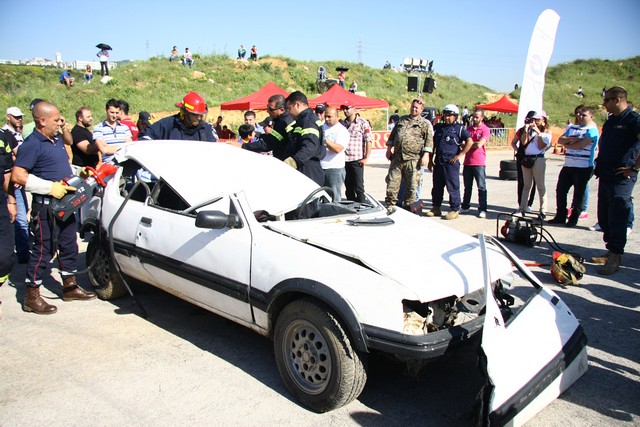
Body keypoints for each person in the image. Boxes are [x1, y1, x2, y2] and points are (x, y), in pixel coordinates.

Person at [12, 101, 97, 315]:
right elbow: (18, 175)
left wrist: (79, 175)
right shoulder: (33, 144)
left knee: (69, 245)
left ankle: (69, 287)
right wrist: (50, 188)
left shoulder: (56, 139)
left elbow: (60, 168)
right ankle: (32, 295)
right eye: (55, 119)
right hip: (46, 209)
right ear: (42, 121)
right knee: (44, 250)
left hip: (65, 206)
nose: (60, 122)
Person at [591, 87, 640, 275]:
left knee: (618, 216)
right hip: (606, 173)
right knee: (604, 216)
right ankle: (610, 249)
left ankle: (615, 255)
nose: (604, 104)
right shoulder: (612, 120)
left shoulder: (634, 120)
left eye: (607, 101)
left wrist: (634, 168)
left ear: (618, 99)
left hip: (622, 177)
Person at [548, 106, 599, 227]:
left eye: (584, 115)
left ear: (591, 116)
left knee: (579, 193)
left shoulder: (592, 130)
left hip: (583, 166)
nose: (580, 117)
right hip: (568, 164)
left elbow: (581, 144)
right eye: (579, 114)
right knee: (561, 190)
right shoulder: (573, 128)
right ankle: (560, 215)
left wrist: (569, 144)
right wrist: (571, 140)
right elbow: (560, 140)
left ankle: (574, 217)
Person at [425, 104, 472, 220]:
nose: (447, 118)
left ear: (455, 116)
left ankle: (455, 209)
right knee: (437, 186)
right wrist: (430, 160)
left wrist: (459, 155)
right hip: (439, 162)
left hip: (451, 163)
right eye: (445, 115)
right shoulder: (438, 128)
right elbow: (432, 145)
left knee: (453, 187)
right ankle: (436, 207)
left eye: (449, 116)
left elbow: (469, 141)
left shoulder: (459, 129)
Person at [384, 99, 433, 209]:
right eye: (412, 106)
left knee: (412, 186)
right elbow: (393, 135)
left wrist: (426, 155)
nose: (414, 109)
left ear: (421, 110)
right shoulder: (402, 120)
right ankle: (390, 206)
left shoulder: (425, 124)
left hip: (413, 159)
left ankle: (409, 207)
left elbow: (429, 140)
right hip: (397, 158)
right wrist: (389, 149)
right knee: (392, 183)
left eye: (416, 107)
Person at [3, 107, 29, 263]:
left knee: (23, 215)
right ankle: (23, 254)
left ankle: (21, 251)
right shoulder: (5, 135)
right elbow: (14, 157)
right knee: (20, 220)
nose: (19, 119)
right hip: (12, 182)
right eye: (16, 117)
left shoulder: (18, 134)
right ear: (8, 117)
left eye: (20, 117)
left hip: (19, 181)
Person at [283, 91, 325, 186]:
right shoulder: (304, 120)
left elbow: (309, 147)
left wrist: (293, 161)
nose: (288, 112)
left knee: (307, 200)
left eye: (289, 108)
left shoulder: (308, 121)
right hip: (306, 167)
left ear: (297, 104)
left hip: (308, 170)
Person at [140, 91, 216, 142]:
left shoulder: (207, 129)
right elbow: (145, 136)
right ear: (185, 113)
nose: (199, 118)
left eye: (201, 114)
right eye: (195, 115)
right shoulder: (167, 125)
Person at [517, 111, 552, 218]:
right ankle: (522, 207)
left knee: (540, 185)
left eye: (537, 119)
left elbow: (542, 146)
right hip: (527, 158)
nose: (535, 122)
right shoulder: (530, 130)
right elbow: (524, 142)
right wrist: (526, 130)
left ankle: (543, 210)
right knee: (526, 185)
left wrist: (538, 132)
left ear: (543, 120)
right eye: (534, 119)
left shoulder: (546, 131)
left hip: (538, 159)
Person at [242, 94, 294, 160]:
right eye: (267, 107)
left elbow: (267, 144)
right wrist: (259, 135)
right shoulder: (283, 119)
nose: (267, 111)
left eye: (271, 109)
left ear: (282, 110)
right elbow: (273, 139)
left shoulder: (283, 123)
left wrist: (243, 146)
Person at [461, 108, 490, 218]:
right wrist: (468, 145)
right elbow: (462, 144)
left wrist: (468, 145)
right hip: (468, 162)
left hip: (479, 162)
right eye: (473, 116)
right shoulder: (468, 129)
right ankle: (465, 206)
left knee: (481, 187)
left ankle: (483, 208)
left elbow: (479, 144)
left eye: (477, 117)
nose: (474, 118)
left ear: (482, 118)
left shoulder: (485, 129)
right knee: (467, 187)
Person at [341, 103, 372, 202]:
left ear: (354, 109)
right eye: (344, 109)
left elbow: (368, 140)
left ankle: (362, 207)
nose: (345, 111)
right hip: (344, 160)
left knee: (359, 187)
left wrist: (366, 157)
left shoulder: (363, 123)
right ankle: (352, 209)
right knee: (348, 188)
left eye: (347, 108)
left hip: (357, 160)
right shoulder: (343, 124)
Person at [0, 126, 17, 296]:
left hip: (1, 204)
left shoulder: (2, 138)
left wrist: (12, 200)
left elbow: (6, 174)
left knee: (5, 258)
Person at [510, 110, 537, 212]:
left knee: (534, 182)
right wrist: (519, 150)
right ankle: (521, 203)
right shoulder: (522, 130)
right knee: (521, 181)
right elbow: (513, 142)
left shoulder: (539, 130)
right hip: (522, 158)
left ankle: (529, 203)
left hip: (534, 158)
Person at [321, 106, 349, 201]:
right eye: (326, 116)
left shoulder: (342, 130)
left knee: (334, 197)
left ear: (337, 116)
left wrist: (324, 139)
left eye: (330, 116)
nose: (327, 119)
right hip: (321, 167)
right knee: (321, 196)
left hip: (334, 169)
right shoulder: (321, 127)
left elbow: (338, 149)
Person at [92, 99, 133, 163]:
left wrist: (110, 148)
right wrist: (123, 147)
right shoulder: (98, 128)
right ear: (106, 110)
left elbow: (130, 147)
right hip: (108, 165)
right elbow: (104, 150)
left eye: (117, 113)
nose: (114, 116)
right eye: (112, 112)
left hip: (125, 164)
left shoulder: (124, 128)